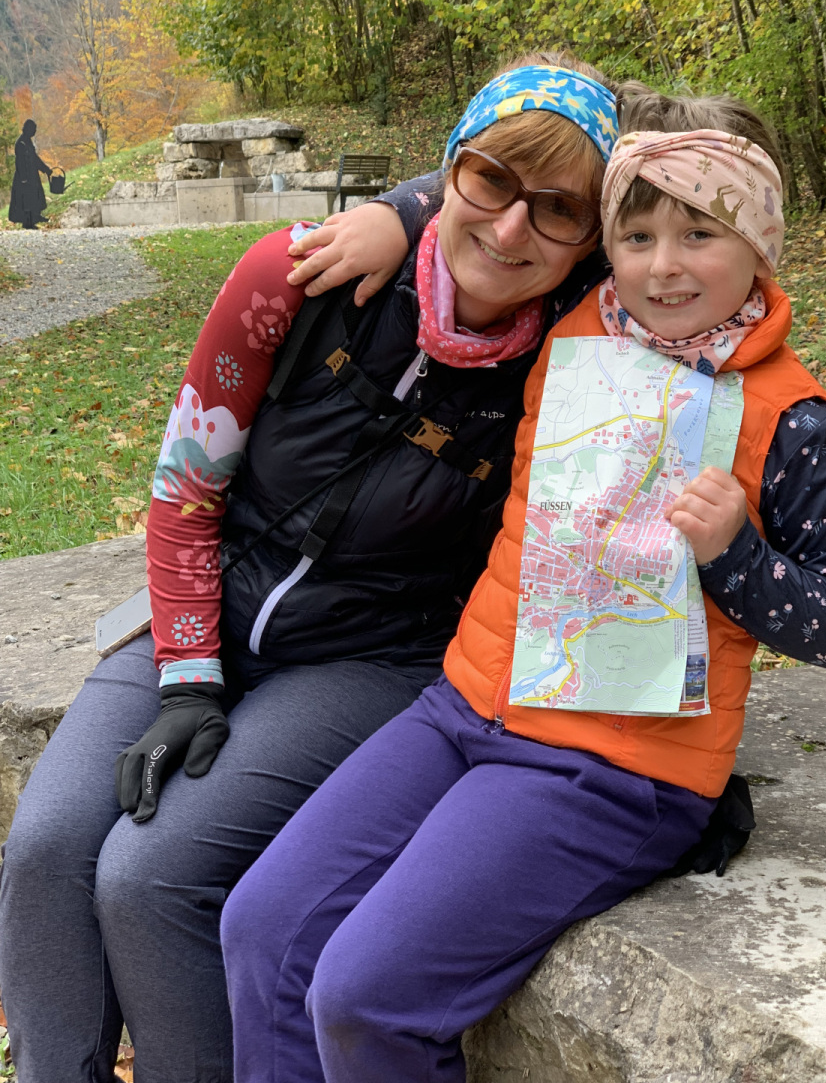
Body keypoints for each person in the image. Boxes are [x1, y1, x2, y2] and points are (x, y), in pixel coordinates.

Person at [220, 85, 826, 1083]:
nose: (663, 266)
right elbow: (501, 201)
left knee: (363, 996)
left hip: (615, 768)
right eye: (639, 235)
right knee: (263, 927)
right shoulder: (571, 327)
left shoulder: (795, 423)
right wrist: (394, 215)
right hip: (462, 710)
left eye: (701, 234)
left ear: (760, 245)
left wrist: (737, 558)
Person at [0, 56, 620, 1083]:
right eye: (489, 180)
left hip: (373, 657)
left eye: (558, 209)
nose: (512, 227)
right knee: (46, 850)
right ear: (452, 167)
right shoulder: (293, 277)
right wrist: (188, 675)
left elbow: (701, 241)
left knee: (151, 879)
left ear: (590, 236)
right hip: (209, 606)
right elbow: (184, 487)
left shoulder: (583, 354)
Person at [7, 119, 52, 230]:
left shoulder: (28, 141)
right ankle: (28, 223)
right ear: (28, 129)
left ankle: (36, 216)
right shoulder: (21, 143)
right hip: (24, 176)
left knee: (35, 196)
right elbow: (20, 162)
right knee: (26, 201)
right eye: (33, 129)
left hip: (32, 175)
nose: (34, 132)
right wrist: (23, 178)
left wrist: (45, 169)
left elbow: (34, 158)